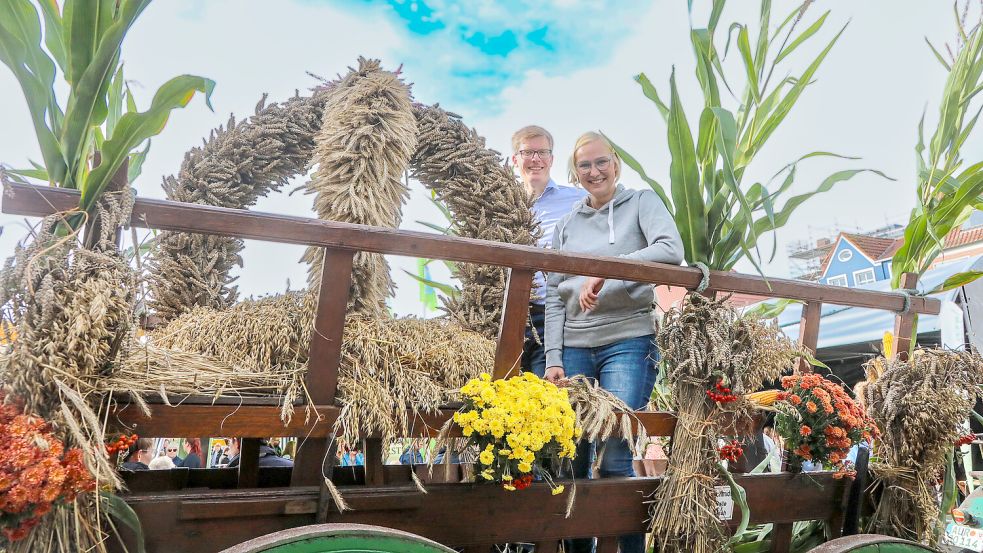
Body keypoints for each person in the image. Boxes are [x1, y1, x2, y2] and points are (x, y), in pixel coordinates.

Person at [544, 131, 683, 553]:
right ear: (576, 172)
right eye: (584, 165)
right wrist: (554, 359)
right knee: (575, 454)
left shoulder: (641, 202)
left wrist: (608, 270)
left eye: (601, 162)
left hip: (628, 338)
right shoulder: (566, 226)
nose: (594, 171)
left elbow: (670, 250)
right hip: (575, 345)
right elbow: (554, 295)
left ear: (616, 163)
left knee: (615, 446)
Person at [512, 125, 587, 378]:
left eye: (542, 152)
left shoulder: (578, 199)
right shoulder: (500, 203)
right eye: (527, 152)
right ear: (515, 159)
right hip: (508, 311)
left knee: (545, 392)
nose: (535, 159)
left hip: (552, 311)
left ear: (552, 159)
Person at [226, 438, 294, 468]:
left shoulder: (229, 474)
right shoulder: (292, 466)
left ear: (236, 442)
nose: (228, 447)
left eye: (228, 442)